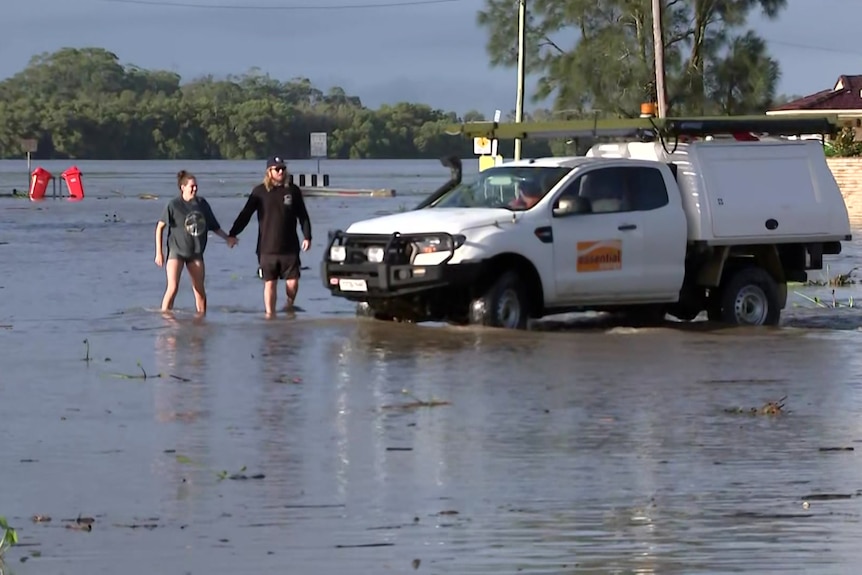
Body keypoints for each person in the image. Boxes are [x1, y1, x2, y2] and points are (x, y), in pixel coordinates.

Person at [228, 155, 312, 317]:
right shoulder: (259, 192)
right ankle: (270, 315)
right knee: (270, 284)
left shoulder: (293, 191)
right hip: (267, 248)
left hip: (290, 248)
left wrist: (307, 236)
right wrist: (233, 234)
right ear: (269, 172)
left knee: (292, 283)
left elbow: (303, 216)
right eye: (277, 169)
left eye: (283, 169)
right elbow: (245, 215)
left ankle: (289, 305)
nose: (281, 171)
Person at [154, 170, 236, 315]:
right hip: (176, 251)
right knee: (172, 287)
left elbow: (214, 226)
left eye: (196, 186)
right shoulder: (173, 205)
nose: (195, 189)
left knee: (199, 289)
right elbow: (160, 227)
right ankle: (165, 317)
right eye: (191, 186)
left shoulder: (202, 204)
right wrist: (159, 253)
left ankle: (201, 319)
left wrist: (227, 238)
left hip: (196, 252)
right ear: (182, 187)